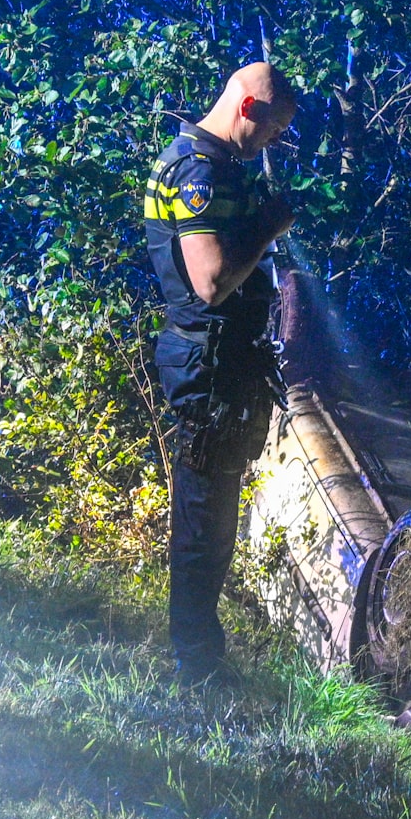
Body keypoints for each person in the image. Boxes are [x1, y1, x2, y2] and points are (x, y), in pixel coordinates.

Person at [144, 63, 298, 683]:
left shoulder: (218, 164)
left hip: (224, 362)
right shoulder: (197, 171)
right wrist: (268, 228)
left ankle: (202, 653)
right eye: (275, 129)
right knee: (204, 516)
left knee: (216, 509)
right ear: (249, 110)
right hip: (204, 363)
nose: (276, 143)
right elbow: (209, 282)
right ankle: (195, 664)